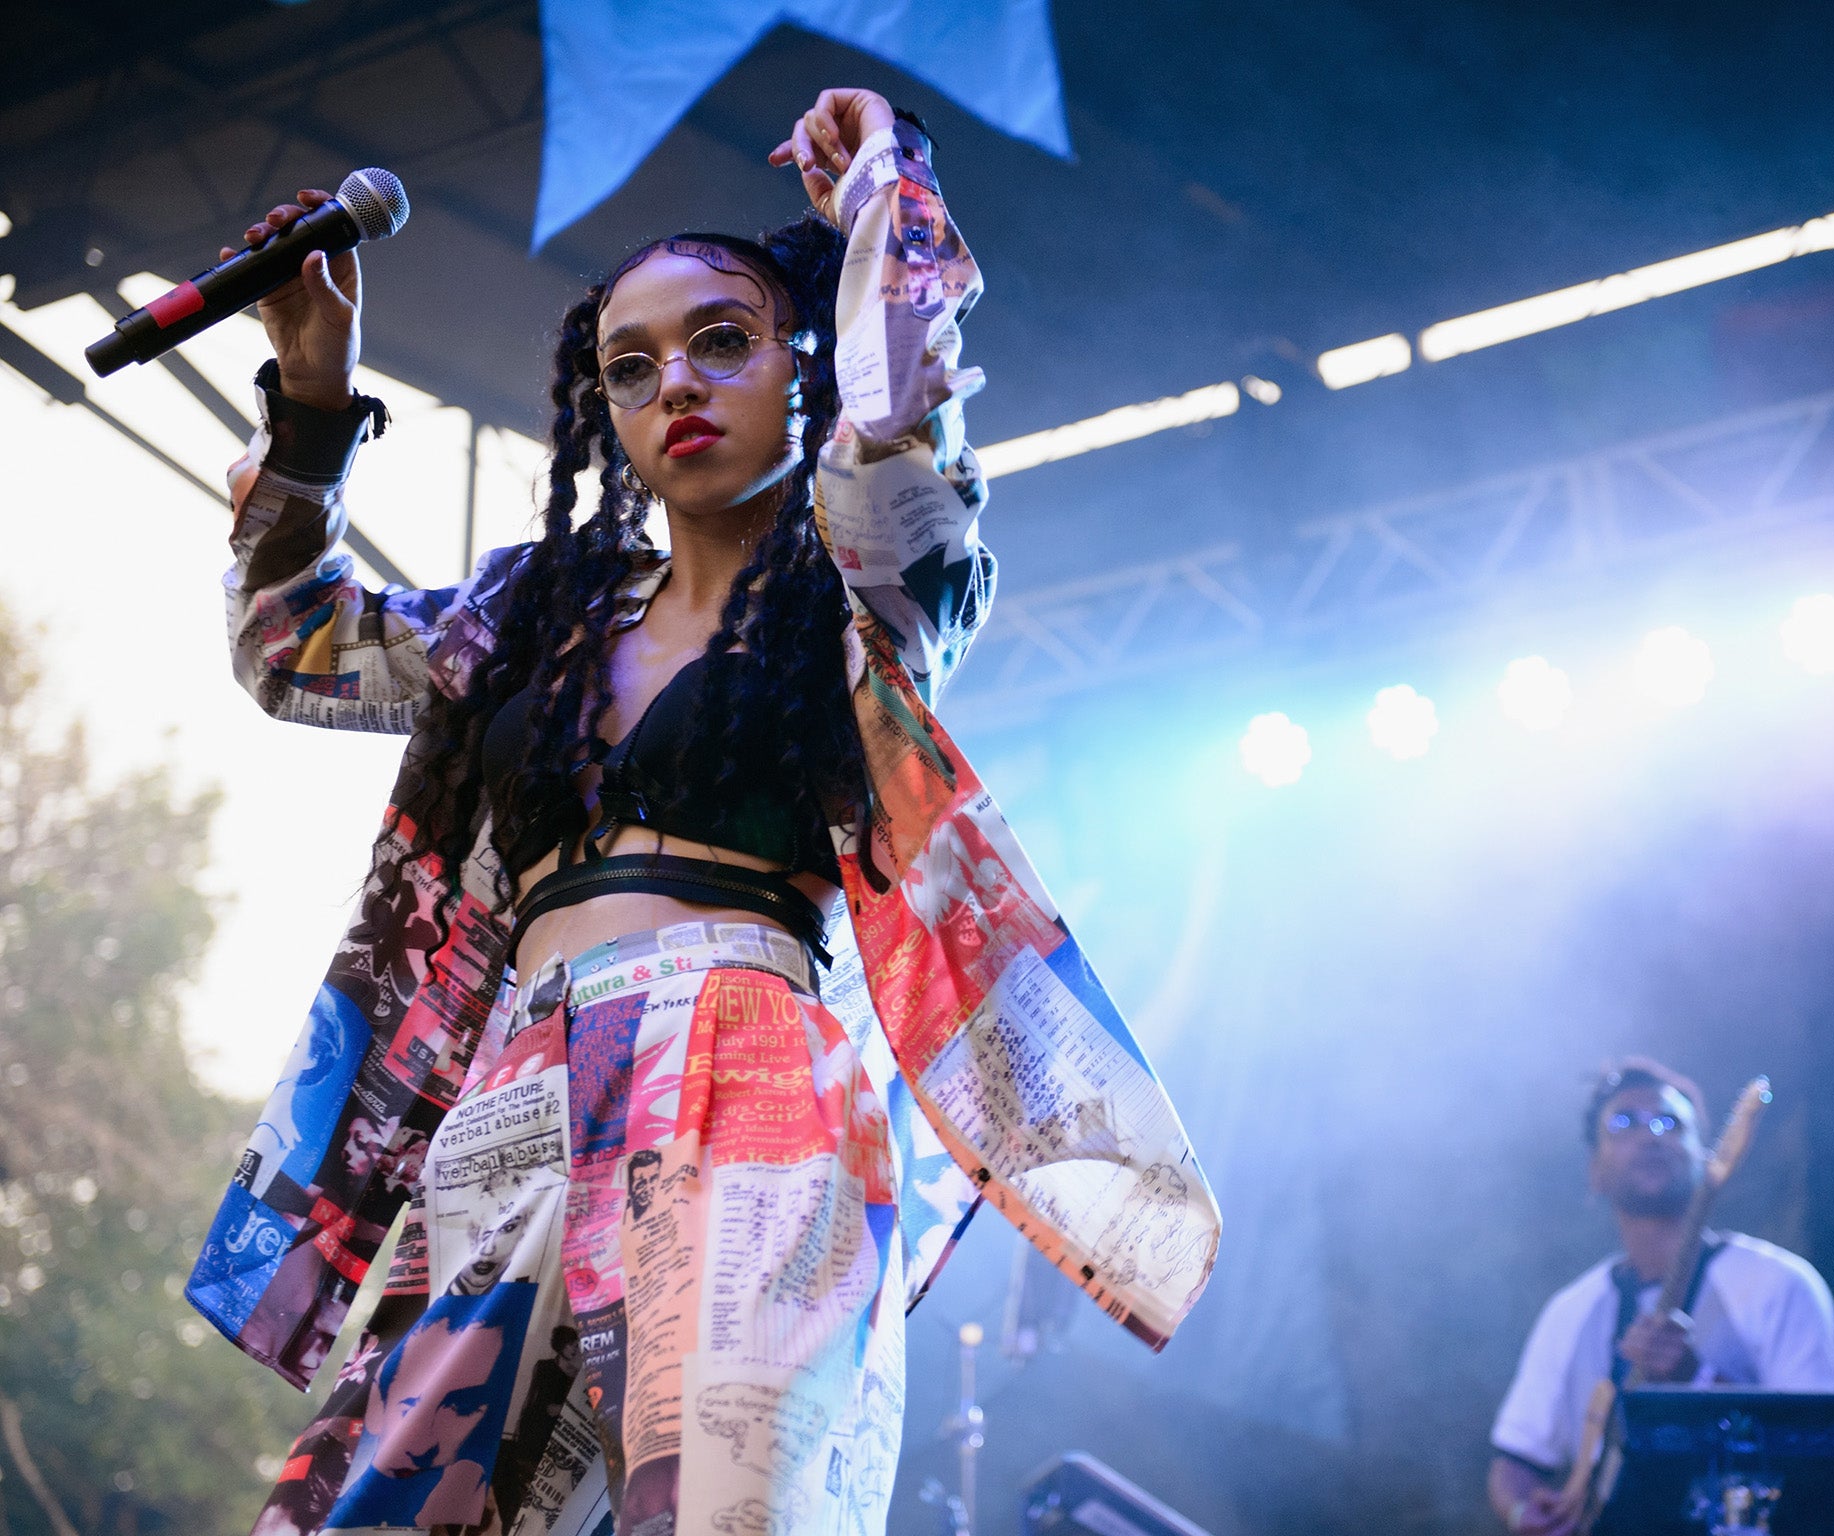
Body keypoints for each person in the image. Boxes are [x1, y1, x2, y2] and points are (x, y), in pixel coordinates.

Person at [184, 86, 1220, 1536]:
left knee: (726, 1508)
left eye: (722, 341)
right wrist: (307, 396)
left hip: (746, 1060)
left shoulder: (855, 592)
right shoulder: (530, 611)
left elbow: (902, 432)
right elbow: (295, 646)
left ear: (803, 363)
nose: (675, 383)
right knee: (394, 1508)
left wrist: (884, 202)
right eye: (630, 364)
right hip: (514, 1084)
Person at [1486, 1058, 1834, 1535]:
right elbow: (1514, 1460)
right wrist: (1521, 1512)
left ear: (1705, 1157)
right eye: (1623, 1123)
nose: (1649, 1135)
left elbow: (1825, 1451)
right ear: (1594, 1171)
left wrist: (1696, 1379)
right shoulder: (1571, 1311)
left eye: (1669, 1123)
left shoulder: (1780, 1285)